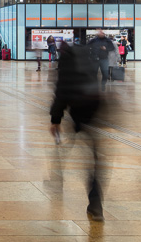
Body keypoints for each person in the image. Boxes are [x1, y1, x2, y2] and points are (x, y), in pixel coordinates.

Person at [50, 42, 104, 221]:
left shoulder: (66, 62)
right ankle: (95, 203)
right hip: (95, 108)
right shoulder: (87, 57)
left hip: (79, 110)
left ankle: (57, 177)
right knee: (93, 158)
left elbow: (61, 90)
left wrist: (55, 119)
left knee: (67, 145)